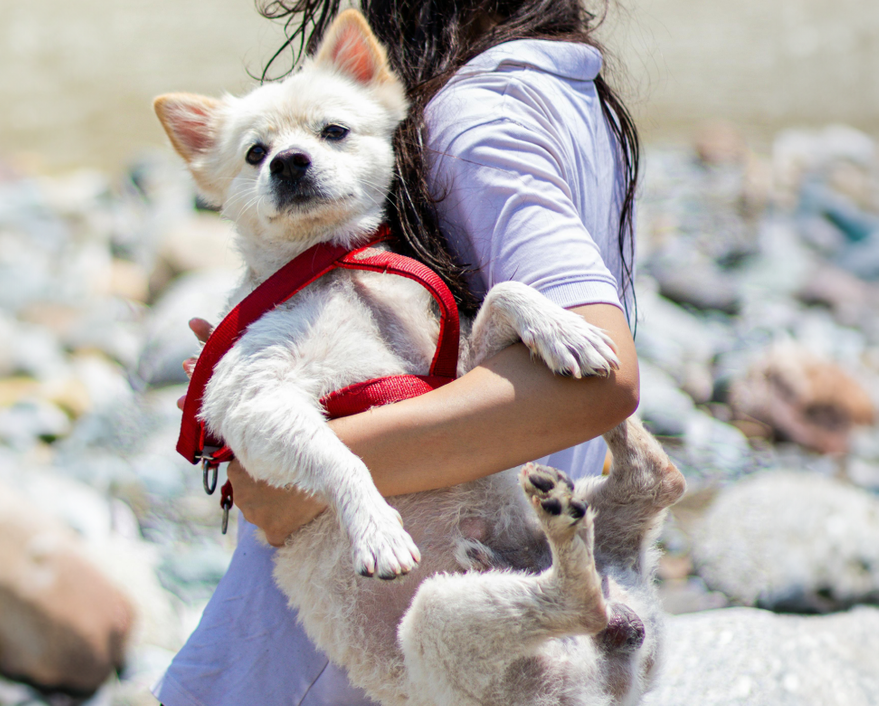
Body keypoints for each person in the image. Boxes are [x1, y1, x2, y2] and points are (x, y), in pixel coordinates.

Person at [153, 1, 641, 703]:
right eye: (261, 154)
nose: (291, 158)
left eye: (329, 132)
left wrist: (294, 480)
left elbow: (602, 379)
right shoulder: (562, 85)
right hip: (503, 605)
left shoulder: (478, 118)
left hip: (359, 656)